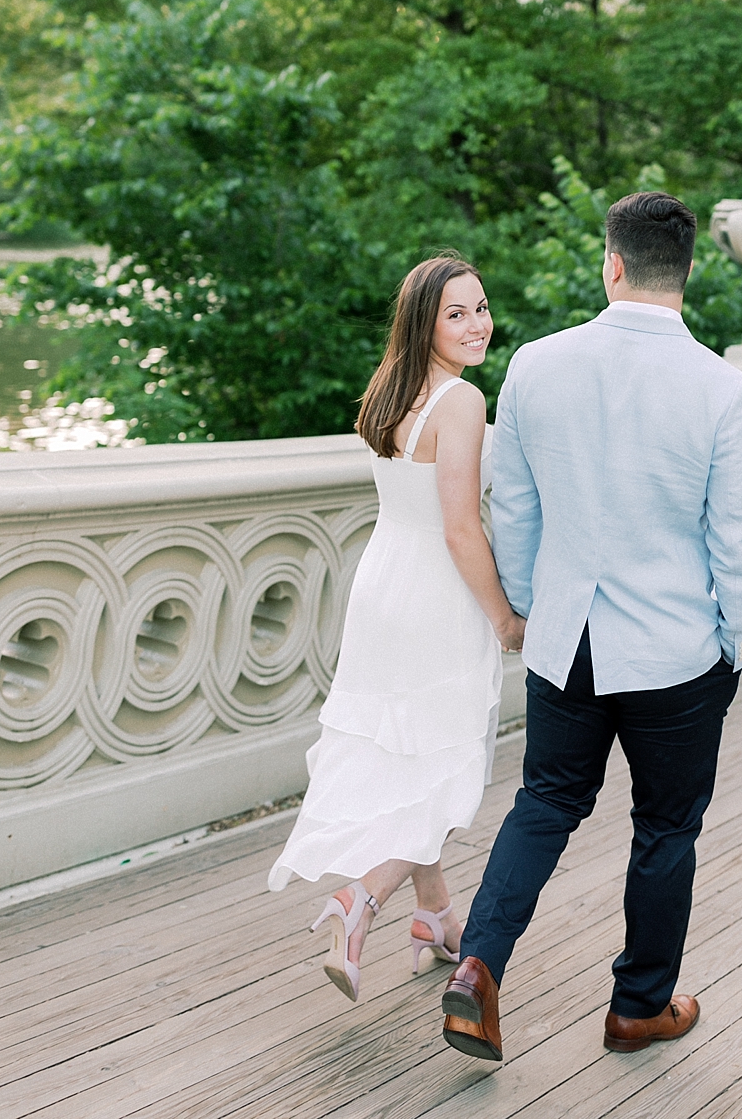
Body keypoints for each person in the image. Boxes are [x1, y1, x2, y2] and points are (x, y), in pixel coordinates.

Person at [440, 192, 742, 1062]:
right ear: (686, 272)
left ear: (610, 264)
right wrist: (738, 642)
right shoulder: (721, 388)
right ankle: (638, 1008)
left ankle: (476, 966)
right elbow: (739, 538)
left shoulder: (536, 366)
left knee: (544, 803)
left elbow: (511, 510)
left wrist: (528, 612)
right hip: (676, 652)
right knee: (665, 828)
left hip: (566, 641)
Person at [268, 255, 526, 1001]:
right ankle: (361, 900)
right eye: (456, 313)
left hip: (382, 582)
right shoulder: (462, 401)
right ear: (425, 323)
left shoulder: (392, 388)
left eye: (481, 307)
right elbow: (459, 530)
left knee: (409, 754)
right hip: (436, 597)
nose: (477, 323)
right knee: (442, 771)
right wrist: (503, 617)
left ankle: (435, 915)